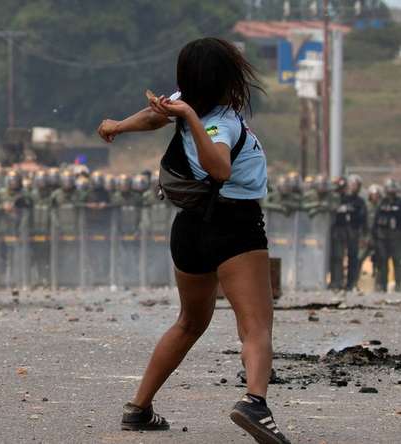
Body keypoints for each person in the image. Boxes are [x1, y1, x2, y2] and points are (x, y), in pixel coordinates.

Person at [97, 37, 290, 443]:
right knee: (255, 326)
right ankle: (255, 403)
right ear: (225, 78)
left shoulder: (184, 103)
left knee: (189, 321)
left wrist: (118, 126)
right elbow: (218, 166)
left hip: (190, 228)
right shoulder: (221, 119)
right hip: (234, 225)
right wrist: (189, 116)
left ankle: (139, 408)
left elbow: (155, 117)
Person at [330, 175, 367, 291]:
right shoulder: (338, 198)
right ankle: (336, 282)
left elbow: (363, 218)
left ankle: (351, 284)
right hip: (339, 230)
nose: (353, 187)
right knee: (338, 256)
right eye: (351, 184)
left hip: (353, 231)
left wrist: (363, 235)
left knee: (353, 257)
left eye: (356, 185)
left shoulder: (359, 201)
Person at [374, 179, 401, 292]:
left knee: (397, 261)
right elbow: (376, 219)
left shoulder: (399, 202)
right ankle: (382, 285)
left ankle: (399, 285)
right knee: (382, 260)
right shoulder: (382, 202)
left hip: (396, 235)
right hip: (382, 236)